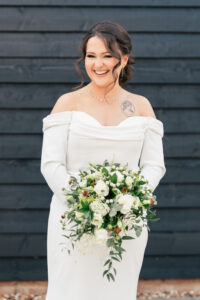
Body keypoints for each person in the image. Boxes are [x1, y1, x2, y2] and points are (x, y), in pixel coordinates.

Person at [40, 21, 166, 300]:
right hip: (72, 221)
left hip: (126, 223)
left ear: (123, 58)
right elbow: (51, 164)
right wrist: (85, 202)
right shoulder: (67, 103)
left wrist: (127, 201)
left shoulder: (142, 106)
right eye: (91, 56)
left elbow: (154, 165)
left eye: (107, 55)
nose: (98, 64)